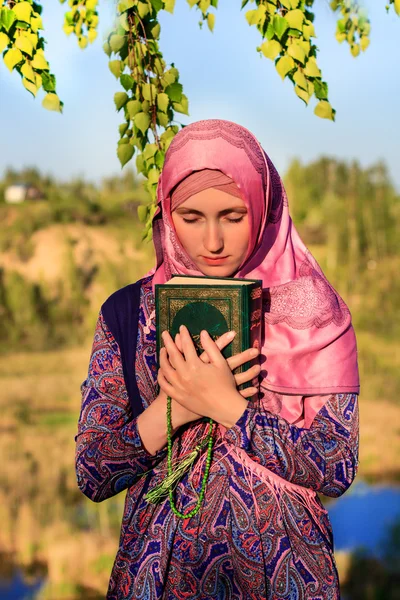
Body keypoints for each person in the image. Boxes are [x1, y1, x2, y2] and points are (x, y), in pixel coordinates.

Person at [75, 119, 360, 599]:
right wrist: (177, 408)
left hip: (286, 579)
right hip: (158, 578)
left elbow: (337, 466)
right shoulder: (127, 314)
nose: (212, 242)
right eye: (191, 218)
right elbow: (94, 470)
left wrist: (230, 409)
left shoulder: (315, 315)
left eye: (232, 216)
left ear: (262, 206)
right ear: (167, 214)